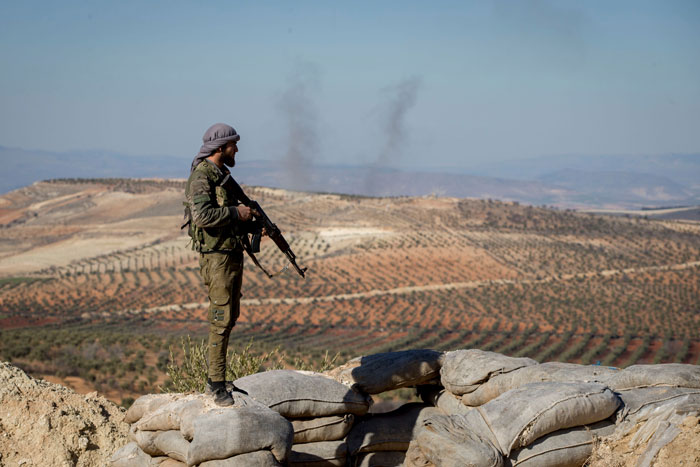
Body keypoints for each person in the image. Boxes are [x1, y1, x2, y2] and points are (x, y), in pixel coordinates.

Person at [184, 123, 258, 406]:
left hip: (229, 254)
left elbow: (226, 218)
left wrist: (250, 223)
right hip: (216, 258)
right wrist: (236, 212)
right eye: (233, 145)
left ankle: (219, 377)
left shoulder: (221, 176)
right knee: (220, 319)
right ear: (220, 148)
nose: (236, 149)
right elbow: (202, 216)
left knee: (230, 317)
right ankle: (215, 385)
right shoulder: (203, 176)